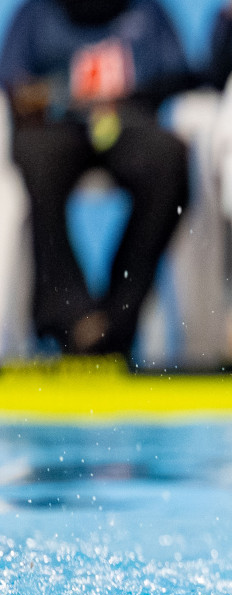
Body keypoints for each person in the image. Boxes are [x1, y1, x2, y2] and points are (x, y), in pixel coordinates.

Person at [0, 0, 191, 356]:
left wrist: (125, 100)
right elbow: (14, 84)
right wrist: (58, 96)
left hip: (128, 121)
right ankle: (68, 317)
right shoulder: (36, 15)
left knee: (170, 161)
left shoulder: (147, 15)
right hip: (57, 126)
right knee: (35, 159)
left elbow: (178, 77)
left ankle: (117, 319)